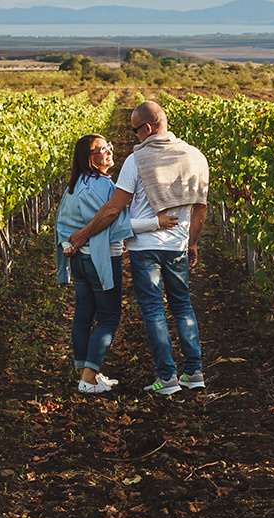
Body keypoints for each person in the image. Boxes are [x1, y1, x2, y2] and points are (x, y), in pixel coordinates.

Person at [64, 99, 207, 397]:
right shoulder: (195, 156)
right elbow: (200, 208)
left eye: (135, 131)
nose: (134, 138)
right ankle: (194, 373)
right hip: (178, 243)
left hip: (145, 248)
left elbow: (113, 209)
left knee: (154, 310)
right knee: (182, 305)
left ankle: (167, 377)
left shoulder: (136, 160)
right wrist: (192, 242)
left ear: (149, 128)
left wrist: (81, 236)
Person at [54, 134, 130, 394]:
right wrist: (158, 223)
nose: (109, 151)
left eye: (109, 145)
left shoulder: (74, 186)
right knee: (109, 318)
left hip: (80, 261)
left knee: (84, 315)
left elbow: (62, 224)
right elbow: (118, 222)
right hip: (101, 259)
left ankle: (84, 374)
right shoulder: (102, 186)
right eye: (102, 149)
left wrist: (69, 244)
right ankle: (88, 379)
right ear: (90, 159)